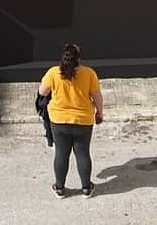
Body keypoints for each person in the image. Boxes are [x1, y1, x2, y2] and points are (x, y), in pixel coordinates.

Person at [38, 42, 104, 198]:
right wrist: (99, 113)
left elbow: (42, 91)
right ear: (79, 59)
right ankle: (86, 188)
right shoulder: (89, 73)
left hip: (58, 120)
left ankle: (60, 188)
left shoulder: (53, 73)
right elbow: (97, 97)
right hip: (83, 121)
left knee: (61, 153)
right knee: (82, 154)